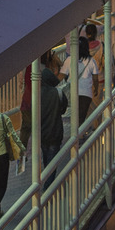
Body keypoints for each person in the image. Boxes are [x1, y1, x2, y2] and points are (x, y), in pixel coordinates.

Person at [40, 52, 68, 190]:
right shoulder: (58, 93)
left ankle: (47, 185)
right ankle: (48, 188)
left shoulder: (36, 94)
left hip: (42, 133)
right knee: (53, 161)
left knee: (46, 160)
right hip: (55, 132)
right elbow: (63, 109)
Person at [59, 37, 99, 125]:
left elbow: (61, 76)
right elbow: (95, 79)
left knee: (74, 117)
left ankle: (76, 136)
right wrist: (96, 88)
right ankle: (79, 136)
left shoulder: (69, 60)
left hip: (72, 93)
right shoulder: (91, 61)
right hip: (86, 94)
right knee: (81, 117)